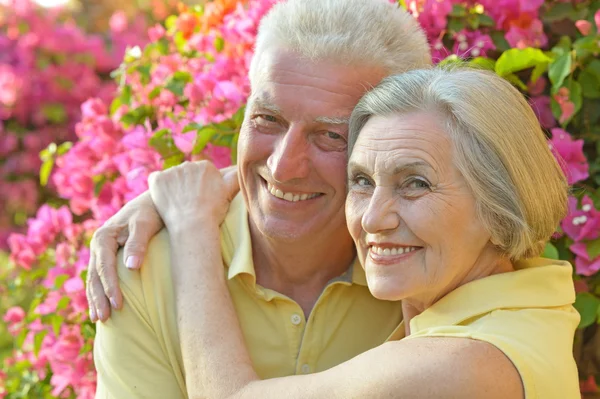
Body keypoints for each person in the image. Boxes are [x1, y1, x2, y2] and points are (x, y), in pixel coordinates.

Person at [148, 67, 580, 398]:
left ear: (498, 203)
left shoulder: (462, 364)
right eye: (362, 181)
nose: (373, 219)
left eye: (415, 184)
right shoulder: (529, 303)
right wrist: (245, 181)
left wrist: (190, 224)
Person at [92, 0, 431, 397]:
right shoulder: (144, 270)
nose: (284, 166)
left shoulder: (432, 261)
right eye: (268, 119)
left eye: (331, 136)